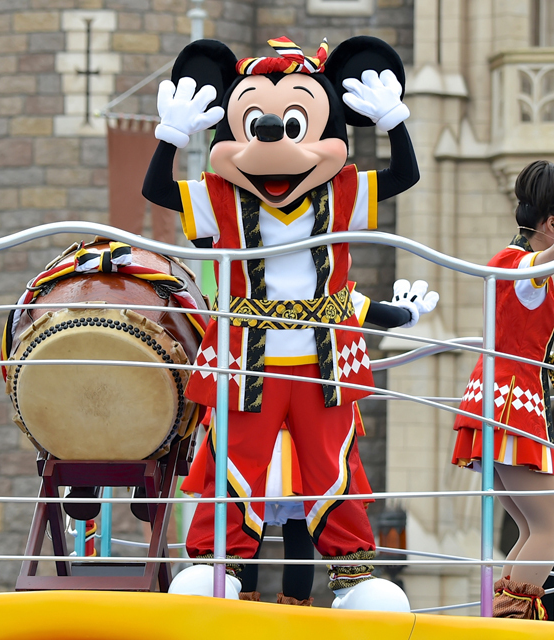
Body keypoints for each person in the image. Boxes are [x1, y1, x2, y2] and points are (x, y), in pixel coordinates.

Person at [143, 35, 421, 610]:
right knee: (233, 461)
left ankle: (351, 575)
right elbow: (156, 191)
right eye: (256, 124)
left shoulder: (341, 190)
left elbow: (403, 177)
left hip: (323, 359)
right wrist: (170, 136)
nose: (272, 139)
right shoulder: (220, 195)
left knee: (332, 463)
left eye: (295, 124)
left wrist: (394, 119)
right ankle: (216, 565)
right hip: (247, 357)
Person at [181, 275, 438, 605]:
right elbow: (367, 310)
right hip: (264, 408)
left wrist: (401, 314)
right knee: (256, 509)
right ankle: (242, 603)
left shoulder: (314, 283)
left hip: (285, 414)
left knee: (271, 513)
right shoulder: (320, 284)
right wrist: (403, 314)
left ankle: (271, 612)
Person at [452, 160, 554, 620]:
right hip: (513, 404)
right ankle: (516, 621)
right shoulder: (521, 265)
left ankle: (504, 617)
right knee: (551, 527)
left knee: (533, 527)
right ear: (551, 223)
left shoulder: (516, 261)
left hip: (503, 404)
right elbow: (537, 268)